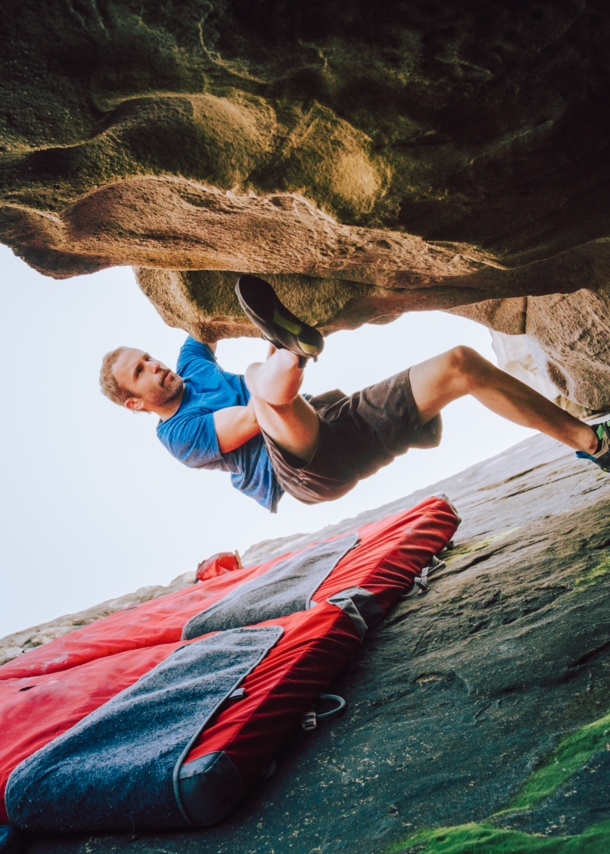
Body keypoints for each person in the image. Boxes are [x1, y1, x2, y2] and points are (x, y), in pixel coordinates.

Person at [99, 276, 610, 513]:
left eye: (149, 355)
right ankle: (290, 352)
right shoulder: (179, 436)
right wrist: (269, 368)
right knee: (263, 387)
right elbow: (252, 420)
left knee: (460, 364)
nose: (156, 364)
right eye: (140, 371)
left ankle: (595, 444)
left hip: (339, 421)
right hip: (301, 470)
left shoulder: (190, 363)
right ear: (134, 403)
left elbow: (199, 312)